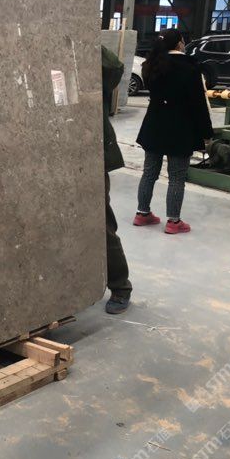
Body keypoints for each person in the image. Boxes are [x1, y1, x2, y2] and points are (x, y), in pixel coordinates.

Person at [134, 29, 213, 234]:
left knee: (149, 172)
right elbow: (198, 104)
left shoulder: (150, 66)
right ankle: (173, 221)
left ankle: (142, 213)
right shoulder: (190, 68)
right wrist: (206, 132)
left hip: (154, 125)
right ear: (179, 43)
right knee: (176, 177)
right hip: (180, 128)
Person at [101, 46, 132, 314]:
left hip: (90, 157)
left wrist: (85, 38)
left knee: (102, 224)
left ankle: (121, 286)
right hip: (48, 157)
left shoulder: (92, 64)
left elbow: (114, 67)